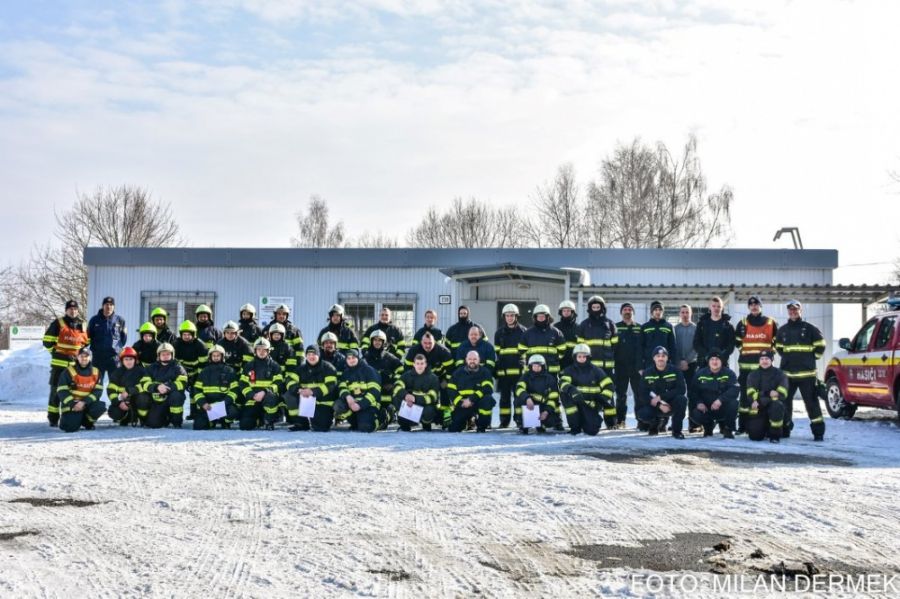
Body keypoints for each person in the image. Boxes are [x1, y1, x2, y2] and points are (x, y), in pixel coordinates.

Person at [775, 300, 827, 440]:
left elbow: (821, 345)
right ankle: (785, 430)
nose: (793, 312)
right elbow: (778, 348)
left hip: (807, 375)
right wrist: (787, 359)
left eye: (795, 309)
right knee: (785, 403)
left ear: (800, 311)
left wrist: (810, 359)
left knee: (811, 403)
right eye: (790, 310)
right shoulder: (783, 330)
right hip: (787, 375)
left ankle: (818, 433)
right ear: (788, 311)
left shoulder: (810, 328)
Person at [734, 296, 777, 435]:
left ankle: (763, 424)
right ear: (748, 307)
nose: (754, 306)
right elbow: (738, 343)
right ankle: (742, 426)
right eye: (751, 304)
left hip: (763, 370)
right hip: (746, 368)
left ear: (761, 306)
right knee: (745, 398)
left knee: (763, 397)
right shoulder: (742, 323)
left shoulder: (771, 323)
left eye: (756, 304)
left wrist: (768, 358)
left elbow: (776, 343)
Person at [43, 299, 89, 426]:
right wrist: (55, 352)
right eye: (70, 309)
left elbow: (86, 344)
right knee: (55, 392)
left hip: (75, 366)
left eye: (75, 309)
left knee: (73, 392)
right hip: (59, 365)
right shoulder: (58, 323)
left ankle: (69, 416)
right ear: (66, 310)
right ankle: (53, 418)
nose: (73, 311)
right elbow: (47, 341)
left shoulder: (83, 325)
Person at [559, 344, 615, 435]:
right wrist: (572, 390)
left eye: (584, 356)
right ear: (575, 357)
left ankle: (589, 421)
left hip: (591, 404)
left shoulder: (597, 371)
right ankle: (575, 426)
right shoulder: (569, 370)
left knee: (592, 431)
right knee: (564, 394)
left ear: (588, 357)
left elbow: (609, 386)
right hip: (575, 402)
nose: (581, 358)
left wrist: (600, 400)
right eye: (579, 356)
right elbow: (563, 383)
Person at [403, 332, 455, 427]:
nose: (427, 345)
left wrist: (446, 381)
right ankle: (414, 418)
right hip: (418, 378)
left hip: (439, 378)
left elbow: (451, 370)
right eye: (425, 343)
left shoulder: (443, 351)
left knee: (445, 391)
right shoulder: (414, 351)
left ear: (434, 342)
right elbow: (407, 369)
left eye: (430, 343)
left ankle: (444, 417)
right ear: (421, 342)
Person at [284, 345, 339, 432]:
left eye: (314, 354)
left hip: (323, 401)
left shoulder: (328, 368)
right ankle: (301, 423)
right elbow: (289, 380)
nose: (311, 357)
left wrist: (312, 392)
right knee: (289, 395)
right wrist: (299, 390)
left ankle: (320, 420)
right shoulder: (301, 369)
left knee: (321, 428)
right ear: (306, 356)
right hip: (306, 400)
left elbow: (331, 385)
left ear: (318, 355)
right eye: (309, 354)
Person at [636, 346, 687, 439]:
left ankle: (676, 431)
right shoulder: (647, 373)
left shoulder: (675, 371)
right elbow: (642, 393)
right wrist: (659, 404)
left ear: (667, 358)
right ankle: (655, 425)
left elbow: (681, 389)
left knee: (682, 400)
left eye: (663, 356)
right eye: (658, 356)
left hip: (671, 404)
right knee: (643, 414)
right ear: (654, 358)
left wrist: (661, 397)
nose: (660, 358)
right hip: (655, 406)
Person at [688, 349, 738, 438]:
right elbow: (693, 392)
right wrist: (699, 402)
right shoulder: (700, 374)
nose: (714, 361)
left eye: (717, 359)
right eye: (712, 359)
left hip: (722, 408)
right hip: (706, 409)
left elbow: (734, 390)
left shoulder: (729, 373)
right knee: (695, 412)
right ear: (708, 361)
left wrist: (720, 400)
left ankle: (728, 429)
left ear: (722, 361)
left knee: (734, 403)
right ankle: (708, 427)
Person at [56, 347, 106, 433]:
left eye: (86, 356)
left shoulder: (96, 372)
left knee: (100, 407)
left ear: (90, 357)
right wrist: (73, 404)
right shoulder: (68, 371)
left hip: (87, 404)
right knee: (70, 428)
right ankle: (69, 421)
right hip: (72, 406)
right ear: (77, 357)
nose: (84, 358)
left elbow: (98, 391)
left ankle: (87, 422)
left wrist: (84, 402)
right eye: (81, 356)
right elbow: (62, 390)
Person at [139, 342, 188, 429]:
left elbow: (183, 383)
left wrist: (167, 387)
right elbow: (144, 383)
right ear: (158, 355)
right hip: (157, 399)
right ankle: (164, 418)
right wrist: (156, 387)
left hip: (171, 398)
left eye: (168, 354)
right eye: (163, 354)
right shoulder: (151, 368)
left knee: (176, 395)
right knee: (153, 424)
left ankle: (176, 421)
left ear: (172, 355)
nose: (165, 356)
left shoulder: (178, 367)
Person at [742, 350, 787, 443]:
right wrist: (767, 393)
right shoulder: (752, 375)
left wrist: (760, 398)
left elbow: (782, 395)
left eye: (767, 359)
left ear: (772, 360)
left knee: (776, 405)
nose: (764, 361)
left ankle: (775, 435)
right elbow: (750, 394)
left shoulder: (780, 374)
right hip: (758, 407)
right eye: (762, 359)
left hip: (772, 407)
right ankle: (765, 428)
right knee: (755, 437)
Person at [239, 338, 284, 431]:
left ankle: (269, 421)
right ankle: (260, 420)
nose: (261, 352)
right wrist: (252, 395)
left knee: (271, 397)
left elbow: (278, 383)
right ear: (255, 351)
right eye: (259, 349)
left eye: (264, 349)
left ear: (268, 351)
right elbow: (243, 384)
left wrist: (265, 392)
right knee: (245, 425)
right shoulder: (249, 366)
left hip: (268, 397)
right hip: (253, 398)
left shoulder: (275, 366)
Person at [494, 303, 527, 429]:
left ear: (516, 316)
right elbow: (498, 352)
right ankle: (504, 421)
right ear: (504, 317)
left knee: (519, 398)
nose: (509, 318)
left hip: (519, 373)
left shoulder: (523, 332)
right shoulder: (499, 333)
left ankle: (519, 421)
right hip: (504, 373)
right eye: (507, 315)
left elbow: (526, 352)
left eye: (512, 315)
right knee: (504, 399)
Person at [363, 330, 404, 428]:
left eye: (380, 340)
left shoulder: (389, 357)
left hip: (387, 392)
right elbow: (360, 373)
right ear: (371, 341)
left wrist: (393, 383)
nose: (377, 342)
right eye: (375, 340)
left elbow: (401, 369)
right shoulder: (366, 358)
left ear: (383, 342)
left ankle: (389, 415)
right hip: (370, 392)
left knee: (387, 409)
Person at [193, 345, 239, 430]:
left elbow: (235, 390)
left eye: (218, 356)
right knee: (198, 426)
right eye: (214, 356)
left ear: (222, 356)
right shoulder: (204, 371)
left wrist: (224, 403)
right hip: (209, 406)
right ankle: (212, 421)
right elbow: (197, 390)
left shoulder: (230, 371)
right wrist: (203, 403)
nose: (216, 358)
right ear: (210, 357)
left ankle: (225, 421)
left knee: (233, 412)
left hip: (224, 405)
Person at [333, 349, 381, 432]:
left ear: (358, 358)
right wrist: (348, 397)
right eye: (349, 358)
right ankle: (356, 422)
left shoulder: (369, 370)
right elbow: (342, 387)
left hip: (369, 404)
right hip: (353, 404)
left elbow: (375, 391)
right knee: (338, 405)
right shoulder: (345, 373)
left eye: (353, 358)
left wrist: (361, 405)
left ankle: (382, 419)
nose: (351, 360)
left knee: (366, 428)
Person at [447, 351, 495, 433]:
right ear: (466, 360)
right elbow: (451, 389)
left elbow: (487, 388)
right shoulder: (458, 373)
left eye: (475, 359)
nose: (472, 361)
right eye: (470, 359)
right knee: (453, 429)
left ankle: (481, 425)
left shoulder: (485, 372)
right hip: (463, 404)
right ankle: (468, 421)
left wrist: (471, 399)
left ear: (479, 360)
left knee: (488, 399)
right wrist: (459, 402)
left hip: (478, 403)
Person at [392, 354, 441, 432]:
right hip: (410, 405)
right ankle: (405, 426)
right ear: (414, 364)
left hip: (425, 406)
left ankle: (426, 425)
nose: (420, 366)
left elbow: (433, 396)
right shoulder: (406, 375)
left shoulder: (433, 378)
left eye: (422, 363)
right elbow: (397, 386)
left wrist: (414, 399)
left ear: (425, 364)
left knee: (429, 410)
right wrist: (406, 395)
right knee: (397, 398)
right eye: (417, 363)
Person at [514, 354, 561, 434]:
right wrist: (527, 398)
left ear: (543, 366)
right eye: (534, 366)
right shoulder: (525, 377)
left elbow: (554, 398)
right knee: (518, 399)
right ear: (530, 366)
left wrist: (546, 411)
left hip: (544, 407)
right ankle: (522, 423)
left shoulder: (550, 379)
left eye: (539, 366)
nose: (536, 368)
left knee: (550, 420)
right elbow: (519, 389)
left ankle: (542, 424)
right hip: (529, 404)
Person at [614, 302, 642, 429]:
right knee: (620, 395)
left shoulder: (639, 328)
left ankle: (641, 420)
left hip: (636, 367)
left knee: (639, 395)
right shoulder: (616, 327)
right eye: (625, 309)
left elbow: (643, 348)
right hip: (620, 367)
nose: (627, 311)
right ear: (621, 312)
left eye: (630, 309)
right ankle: (620, 421)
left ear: (633, 312)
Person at [173, 320, 208, 420]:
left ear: (194, 334)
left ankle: (194, 413)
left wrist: (198, 378)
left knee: (194, 392)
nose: (186, 336)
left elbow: (203, 364)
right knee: (177, 392)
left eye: (189, 334)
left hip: (196, 373)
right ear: (181, 335)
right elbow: (175, 363)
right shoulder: (176, 344)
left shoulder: (201, 345)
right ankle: (175, 417)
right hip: (181, 374)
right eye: (184, 334)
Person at [106, 346, 149, 426]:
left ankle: (142, 418)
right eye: (126, 359)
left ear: (135, 360)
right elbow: (111, 389)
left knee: (143, 398)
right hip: (124, 401)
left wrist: (129, 391)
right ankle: (126, 417)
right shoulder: (117, 373)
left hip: (138, 399)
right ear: (122, 361)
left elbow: (145, 385)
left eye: (131, 359)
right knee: (113, 412)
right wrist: (118, 403)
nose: (129, 362)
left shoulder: (142, 371)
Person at [87, 296, 127, 381]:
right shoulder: (94, 320)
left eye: (111, 304)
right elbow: (88, 336)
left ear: (114, 306)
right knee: (95, 383)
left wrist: (117, 349)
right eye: (106, 304)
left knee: (115, 383)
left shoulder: (120, 320)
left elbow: (123, 339)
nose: (109, 306)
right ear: (102, 306)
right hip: (98, 358)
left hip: (114, 358)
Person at [519, 304, 566, 375]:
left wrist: (552, 359)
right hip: (533, 372)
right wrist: (531, 362)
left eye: (543, 316)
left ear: (547, 317)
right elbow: (522, 351)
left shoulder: (556, 333)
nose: (541, 318)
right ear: (535, 317)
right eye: (539, 316)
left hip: (551, 372)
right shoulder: (527, 333)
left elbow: (562, 351)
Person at [577, 295, 618, 373]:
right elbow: (580, 346)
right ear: (590, 308)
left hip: (607, 366)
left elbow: (615, 346)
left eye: (598, 307)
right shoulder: (584, 325)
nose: (596, 310)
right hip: (589, 366)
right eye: (594, 307)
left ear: (602, 308)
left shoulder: (610, 324)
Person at [674, 304, 699, 431]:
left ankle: (693, 423)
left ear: (691, 313)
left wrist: (687, 361)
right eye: (682, 312)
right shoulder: (675, 329)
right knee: (677, 393)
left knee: (692, 393)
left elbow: (697, 346)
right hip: (678, 365)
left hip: (692, 364)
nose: (685, 315)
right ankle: (675, 423)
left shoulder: (696, 328)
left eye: (687, 312)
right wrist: (680, 361)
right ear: (680, 314)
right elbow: (673, 346)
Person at [693, 296, 735, 369]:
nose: (716, 308)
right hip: (704, 363)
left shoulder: (728, 325)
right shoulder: (702, 324)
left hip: (722, 364)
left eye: (719, 306)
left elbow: (731, 345)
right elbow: (696, 343)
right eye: (714, 306)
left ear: (722, 308)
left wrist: (721, 356)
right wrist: (707, 355)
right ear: (710, 307)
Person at [641, 301, 675, 369]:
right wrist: (640, 367)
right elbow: (640, 347)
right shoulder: (644, 327)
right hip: (649, 364)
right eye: (655, 310)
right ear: (651, 312)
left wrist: (674, 365)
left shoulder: (668, 326)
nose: (658, 312)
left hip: (665, 363)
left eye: (660, 310)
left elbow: (673, 347)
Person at [556, 300, 579, 370]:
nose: (566, 313)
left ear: (573, 312)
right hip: (559, 362)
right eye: (564, 311)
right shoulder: (556, 328)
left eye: (568, 311)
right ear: (561, 312)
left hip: (574, 363)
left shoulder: (578, 328)